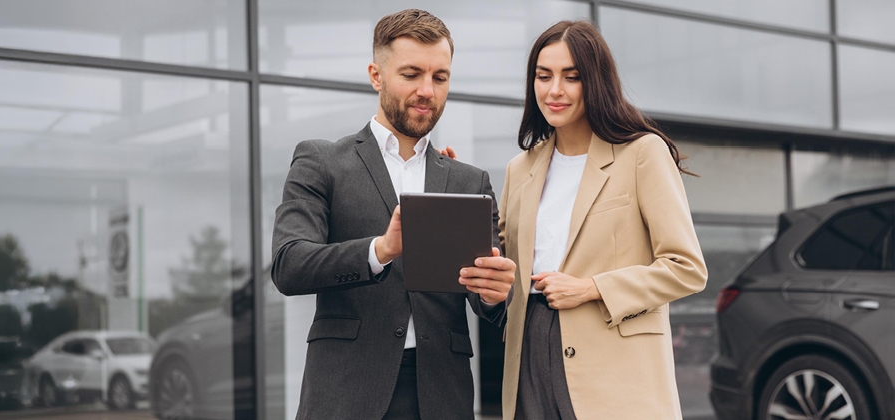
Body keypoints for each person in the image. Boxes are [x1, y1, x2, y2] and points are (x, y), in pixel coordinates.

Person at [271, 9, 516, 420]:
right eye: (411, 74)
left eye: (440, 77)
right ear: (376, 75)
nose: (427, 90)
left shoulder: (469, 181)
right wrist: (379, 250)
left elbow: (489, 303)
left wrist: (495, 293)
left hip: (442, 394)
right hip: (347, 392)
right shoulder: (321, 161)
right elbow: (289, 264)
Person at [497, 20, 708, 419]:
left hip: (614, 364)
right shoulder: (518, 169)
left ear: (594, 82)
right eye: (544, 76)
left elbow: (687, 269)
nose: (554, 90)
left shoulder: (642, 153)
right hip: (529, 349)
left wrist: (592, 288)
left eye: (571, 77)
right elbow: (503, 265)